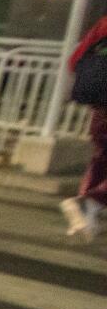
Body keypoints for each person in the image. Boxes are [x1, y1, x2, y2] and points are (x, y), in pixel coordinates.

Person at [59, 16, 107, 240]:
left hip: (101, 107)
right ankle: (90, 203)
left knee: (101, 158)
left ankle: (86, 215)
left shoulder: (103, 24)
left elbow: (75, 61)